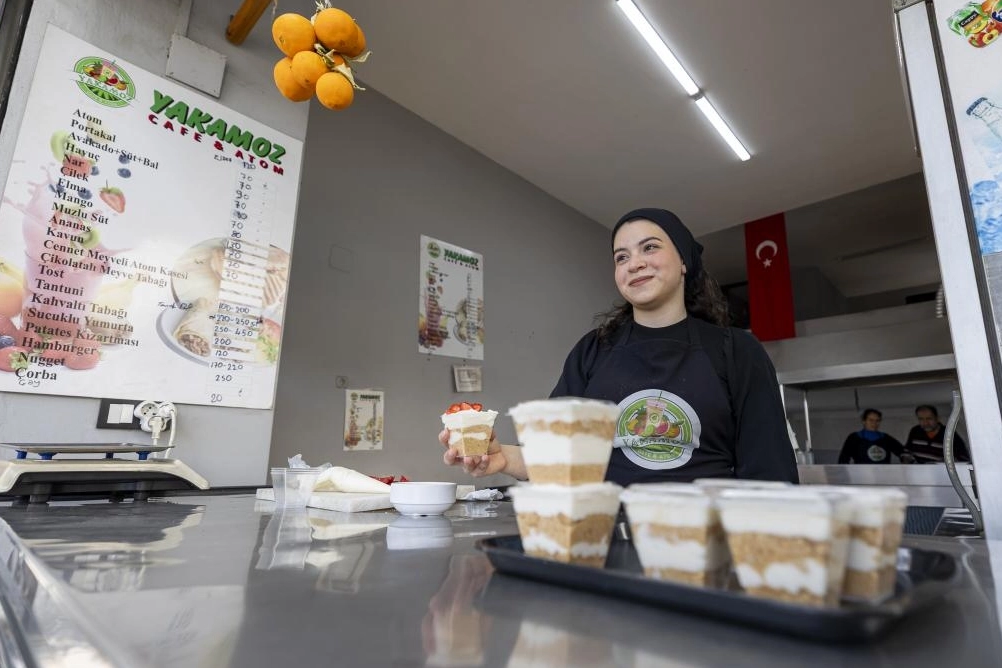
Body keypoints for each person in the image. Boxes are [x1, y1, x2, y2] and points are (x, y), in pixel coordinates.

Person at [439, 208, 799, 485]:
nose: (635, 263)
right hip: (606, 536)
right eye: (621, 257)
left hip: (704, 542)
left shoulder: (737, 351)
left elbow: (770, 473)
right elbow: (557, 455)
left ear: (684, 262)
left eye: (650, 247)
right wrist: (503, 457)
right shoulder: (593, 351)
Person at [837, 409, 911, 464]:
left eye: (877, 421)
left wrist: (905, 460)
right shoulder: (854, 438)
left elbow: (902, 451)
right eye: (871, 420)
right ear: (863, 421)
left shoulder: (885, 438)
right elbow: (843, 459)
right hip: (862, 476)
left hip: (883, 475)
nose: (874, 423)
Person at [903, 404, 970, 464]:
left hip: (940, 472)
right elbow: (907, 452)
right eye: (921, 419)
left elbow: (963, 457)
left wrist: (941, 464)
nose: (925, 423)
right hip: (917, 471)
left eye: (929, 418)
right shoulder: (915, 431)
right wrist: (907, 462)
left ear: (937, 418)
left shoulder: (949, 433)